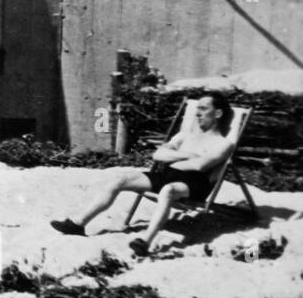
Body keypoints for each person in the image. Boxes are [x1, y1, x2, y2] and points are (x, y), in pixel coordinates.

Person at [50, 93, 235, 257]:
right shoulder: (185, 135)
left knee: (168, 191)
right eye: (197, 108)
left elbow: (201, 166)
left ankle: (145, 242)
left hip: (194, 184)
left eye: (203, 109)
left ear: (218, 114)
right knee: (119, 179)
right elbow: (158, 155)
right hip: (167, 174)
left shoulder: (223, 143)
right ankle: (78, 223)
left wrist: (177, 158)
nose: (197, 113)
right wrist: (188, 155)